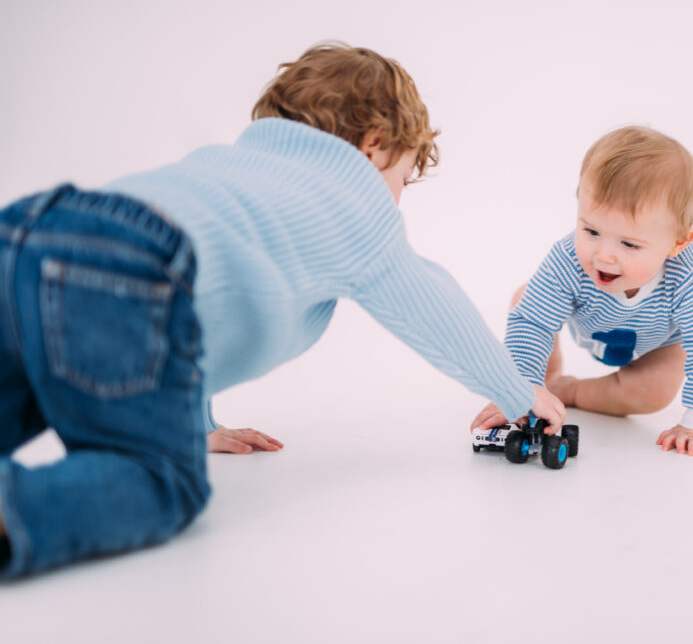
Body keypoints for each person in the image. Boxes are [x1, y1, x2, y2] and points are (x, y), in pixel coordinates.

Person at [0, 41, 564, 578]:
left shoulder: (226, 165)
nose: (394, 200)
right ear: (373, 147)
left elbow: (202, 307)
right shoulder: (352, 195)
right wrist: (518, 391)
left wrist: (190, 422)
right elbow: (430, 303)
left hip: (34, 232)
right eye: (401, 178)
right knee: (164, 480)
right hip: (129, 269)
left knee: (21, 397)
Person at [470, 126, 693, 455]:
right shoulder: (568, 258)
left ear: (678, 243)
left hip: (659, 344)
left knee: (654, 392)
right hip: (586, 319)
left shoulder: (692, 276)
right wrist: (520, 388)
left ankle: (571, 391)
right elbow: (533, 323)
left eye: (629, 243)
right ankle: (545, 379)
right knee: (528, 302)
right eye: (591, 230)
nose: (604, 255)